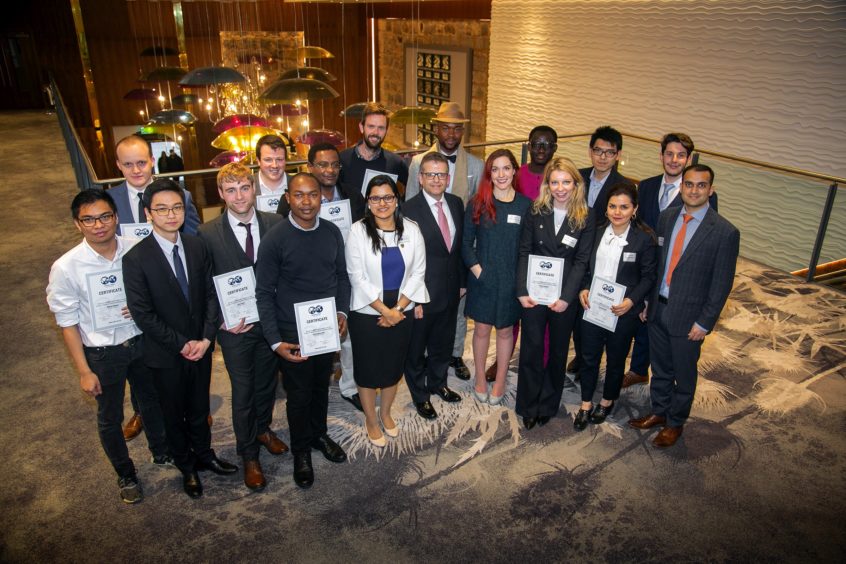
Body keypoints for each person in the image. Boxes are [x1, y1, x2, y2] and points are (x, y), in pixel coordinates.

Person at [46, 189, 172, 504]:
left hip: (142, 342)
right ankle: (126, 474)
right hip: (103, 354)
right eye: (88, 220)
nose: (98, 225)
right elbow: (67, 323)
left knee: (152, 402)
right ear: (78, 224)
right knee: (109, 416)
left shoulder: (138, 250)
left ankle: (162, 452)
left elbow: (160, 292)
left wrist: (143, 305)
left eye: (104, 217)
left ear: (115, 217)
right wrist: (84, 371)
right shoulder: (66, 267)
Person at [123, 179, 237, 499]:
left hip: (200, 348)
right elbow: (142, 313)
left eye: (177, 207)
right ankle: (186, 466)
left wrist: (204, 337)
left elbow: (211, 296)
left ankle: (204, 455)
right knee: (173, 414)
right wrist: (180, 343)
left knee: (199, 408)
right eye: (162, 209)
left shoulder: (196, 245)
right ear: (149, 213)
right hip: (165, 353)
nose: (171, 215)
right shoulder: (136, 258)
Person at [629, 164, 739, 447]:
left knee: (684, 374)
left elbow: (721, 283)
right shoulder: (666, 218)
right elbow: (656, 266)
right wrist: (646, 303)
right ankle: (659, 412)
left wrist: (705, 322)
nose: (693, 190)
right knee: (660, 369)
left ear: (710, 190)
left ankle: (675, 423)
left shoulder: (724, 232)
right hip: (658, 309)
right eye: (688, 184)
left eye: (701, 185)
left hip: (690, 317)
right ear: (681, 187)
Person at [255, 173, 351, 488]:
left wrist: (341, 312)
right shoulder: (275, 238)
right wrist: (274, 341)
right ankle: (301, 451)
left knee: (320, 387)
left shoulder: (332, 232)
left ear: (321, 197)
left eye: (312, 195)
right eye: (299, 195)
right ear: (288, 198)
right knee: (298, 395)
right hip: (290, 331)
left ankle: (318, 436)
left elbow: (341, 277)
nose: (306, 202)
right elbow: (263, 293)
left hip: (323, 327)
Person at [197, 163, 287, 491]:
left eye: (244, 188)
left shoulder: (275, 223)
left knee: (267, 384)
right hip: (234, 329)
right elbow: (203, 285)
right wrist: (220, 319)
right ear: (221, 194)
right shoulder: (206, 233)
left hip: (270, 323)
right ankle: (248, 453)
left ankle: (262, 429)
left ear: (254, 189)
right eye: (231, 190)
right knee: (244, 391)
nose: (239, 196)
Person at [109, 134, 202, 439]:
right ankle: (140, 410)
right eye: (128, 164)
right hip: (130, 291)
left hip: (169, 291)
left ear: (152, 161)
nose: (136, 169)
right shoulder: (111, 200)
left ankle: (194, 413)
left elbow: (192, 242)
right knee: (140, 360)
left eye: (141, 162)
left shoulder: (180, 197)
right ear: (119, 166)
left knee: (171, 366)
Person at [623, 133, 718, 389]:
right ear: (661, 155)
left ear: (688, 159)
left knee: (669, 329)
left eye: (681, 155)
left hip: (674, 270)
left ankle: (668, 383)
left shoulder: (699, 194)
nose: (674, 160)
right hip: (645, 265)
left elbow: (704, 239)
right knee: (643, 318)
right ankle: (638, 369)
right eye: (669, 154)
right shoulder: (646, 185)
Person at [277, 142, 366, 412]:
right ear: (310, 167)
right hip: (314, 284)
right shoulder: (292, 205)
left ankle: (350, 387)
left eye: (334, 165)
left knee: (350, 335)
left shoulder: (353, 195)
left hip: (348, 271)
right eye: (322, 165)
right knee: (313, 360)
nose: (329, 170)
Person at [346, 175, 428, 445]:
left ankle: (387, 412)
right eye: (375, 198)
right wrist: (385, 310)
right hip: (368, 314)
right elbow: (356, 277)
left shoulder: (412, 230)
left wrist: (398, 310)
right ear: (368, 203)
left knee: (394, 367)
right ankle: (371, 419)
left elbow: (418, 272)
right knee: (369, 370)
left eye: (388, 197)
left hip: (401, 311)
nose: (382, 203)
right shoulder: (357, 231)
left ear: (396, 200)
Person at [405, 102, 483, 384]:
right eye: (445, 127)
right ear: (436, 128)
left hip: (455, 249)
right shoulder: (417, 163)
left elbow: (473, 212)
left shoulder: (476, 165)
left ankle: (453, 354)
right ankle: (424, 358)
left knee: (456, 312)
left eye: (456, 127)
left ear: (462, 131)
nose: (451, 133)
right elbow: (410, 208)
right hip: (426, 251)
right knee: (424, 315)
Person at [515, 157, 595, 429]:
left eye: (566, 182)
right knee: (531, 349)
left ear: (576, 184)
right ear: (547, 184)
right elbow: (524, 250)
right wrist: (522, 290)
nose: (560, 188)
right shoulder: (535, 210)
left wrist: (567, 297)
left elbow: (583, 260)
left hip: (564, 297)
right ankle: (527, 405)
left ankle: (547, 404)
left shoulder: (587, 215)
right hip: (535, 293)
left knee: (559, 352)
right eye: (555, 182)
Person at [575, 183, 657, 430]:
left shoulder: (644, 239)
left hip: (623, 313)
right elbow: (584, 266)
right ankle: (586, 402)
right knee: (587, 357)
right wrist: (584, 287)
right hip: (593, 308)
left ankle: (607, 400)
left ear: (635, 209)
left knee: (615, 360)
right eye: (613, 206)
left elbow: (649, 277)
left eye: (624, 207)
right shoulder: (596, 231)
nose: (617, 212)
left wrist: (631, 301)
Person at [462, 149, 531, 405]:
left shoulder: (525, 206)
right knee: (481, 330)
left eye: (506, 168)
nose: (501, 174)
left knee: (505, 332)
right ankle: (480, 377)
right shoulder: (478, 202)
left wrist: (521, 281)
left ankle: (500, 379)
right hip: (483, 280)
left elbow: (528, 248)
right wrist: (480, 272)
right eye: (495, 169)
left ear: (514, 170)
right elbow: (466, 244)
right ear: (489, 173)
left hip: (512, 282)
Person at [569, 126, 636, 378]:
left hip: (603, 253)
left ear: (618, 155)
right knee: (577, 305)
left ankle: (591, 357)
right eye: (598, 150)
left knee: (597, 304)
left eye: (609, 152)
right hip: (573, 248)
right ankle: (581, 354)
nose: (603, 156)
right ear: (590, 151)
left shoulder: (625, 185)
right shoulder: (577, 177)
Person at [402, 153, 465, 420]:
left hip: (451, 290)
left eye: (441, 175)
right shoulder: (407, 210)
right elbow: (404, 259)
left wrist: (462, 282)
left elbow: (458, 248)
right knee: (416, 349)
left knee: (443, 343)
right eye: (430, 174)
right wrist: (411, 299)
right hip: (422, 294)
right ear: (420, 178)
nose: (436, 179)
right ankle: (420, 395)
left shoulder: (456, 203)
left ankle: (438, 383)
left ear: (448, 179)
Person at [338, 102, 409, 197]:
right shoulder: (342, 160)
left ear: (386, 131)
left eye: (381, 128)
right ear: (361, 127)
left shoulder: (396, 162)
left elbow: (412, 189)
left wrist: (399, 206)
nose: (375, 132)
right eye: (371, 126)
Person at [516, 125, 558, 201]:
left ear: (554, 148)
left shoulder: (561, 176)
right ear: (529, 147)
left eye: (547, 145)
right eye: (536, 144)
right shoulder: (517, 175)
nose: (541, 150)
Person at [254, 134, 291, 213]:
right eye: (268, 160)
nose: (275, 165)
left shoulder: (297, 185)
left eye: (279, 159)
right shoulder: (246, 187)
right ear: (258, 161)